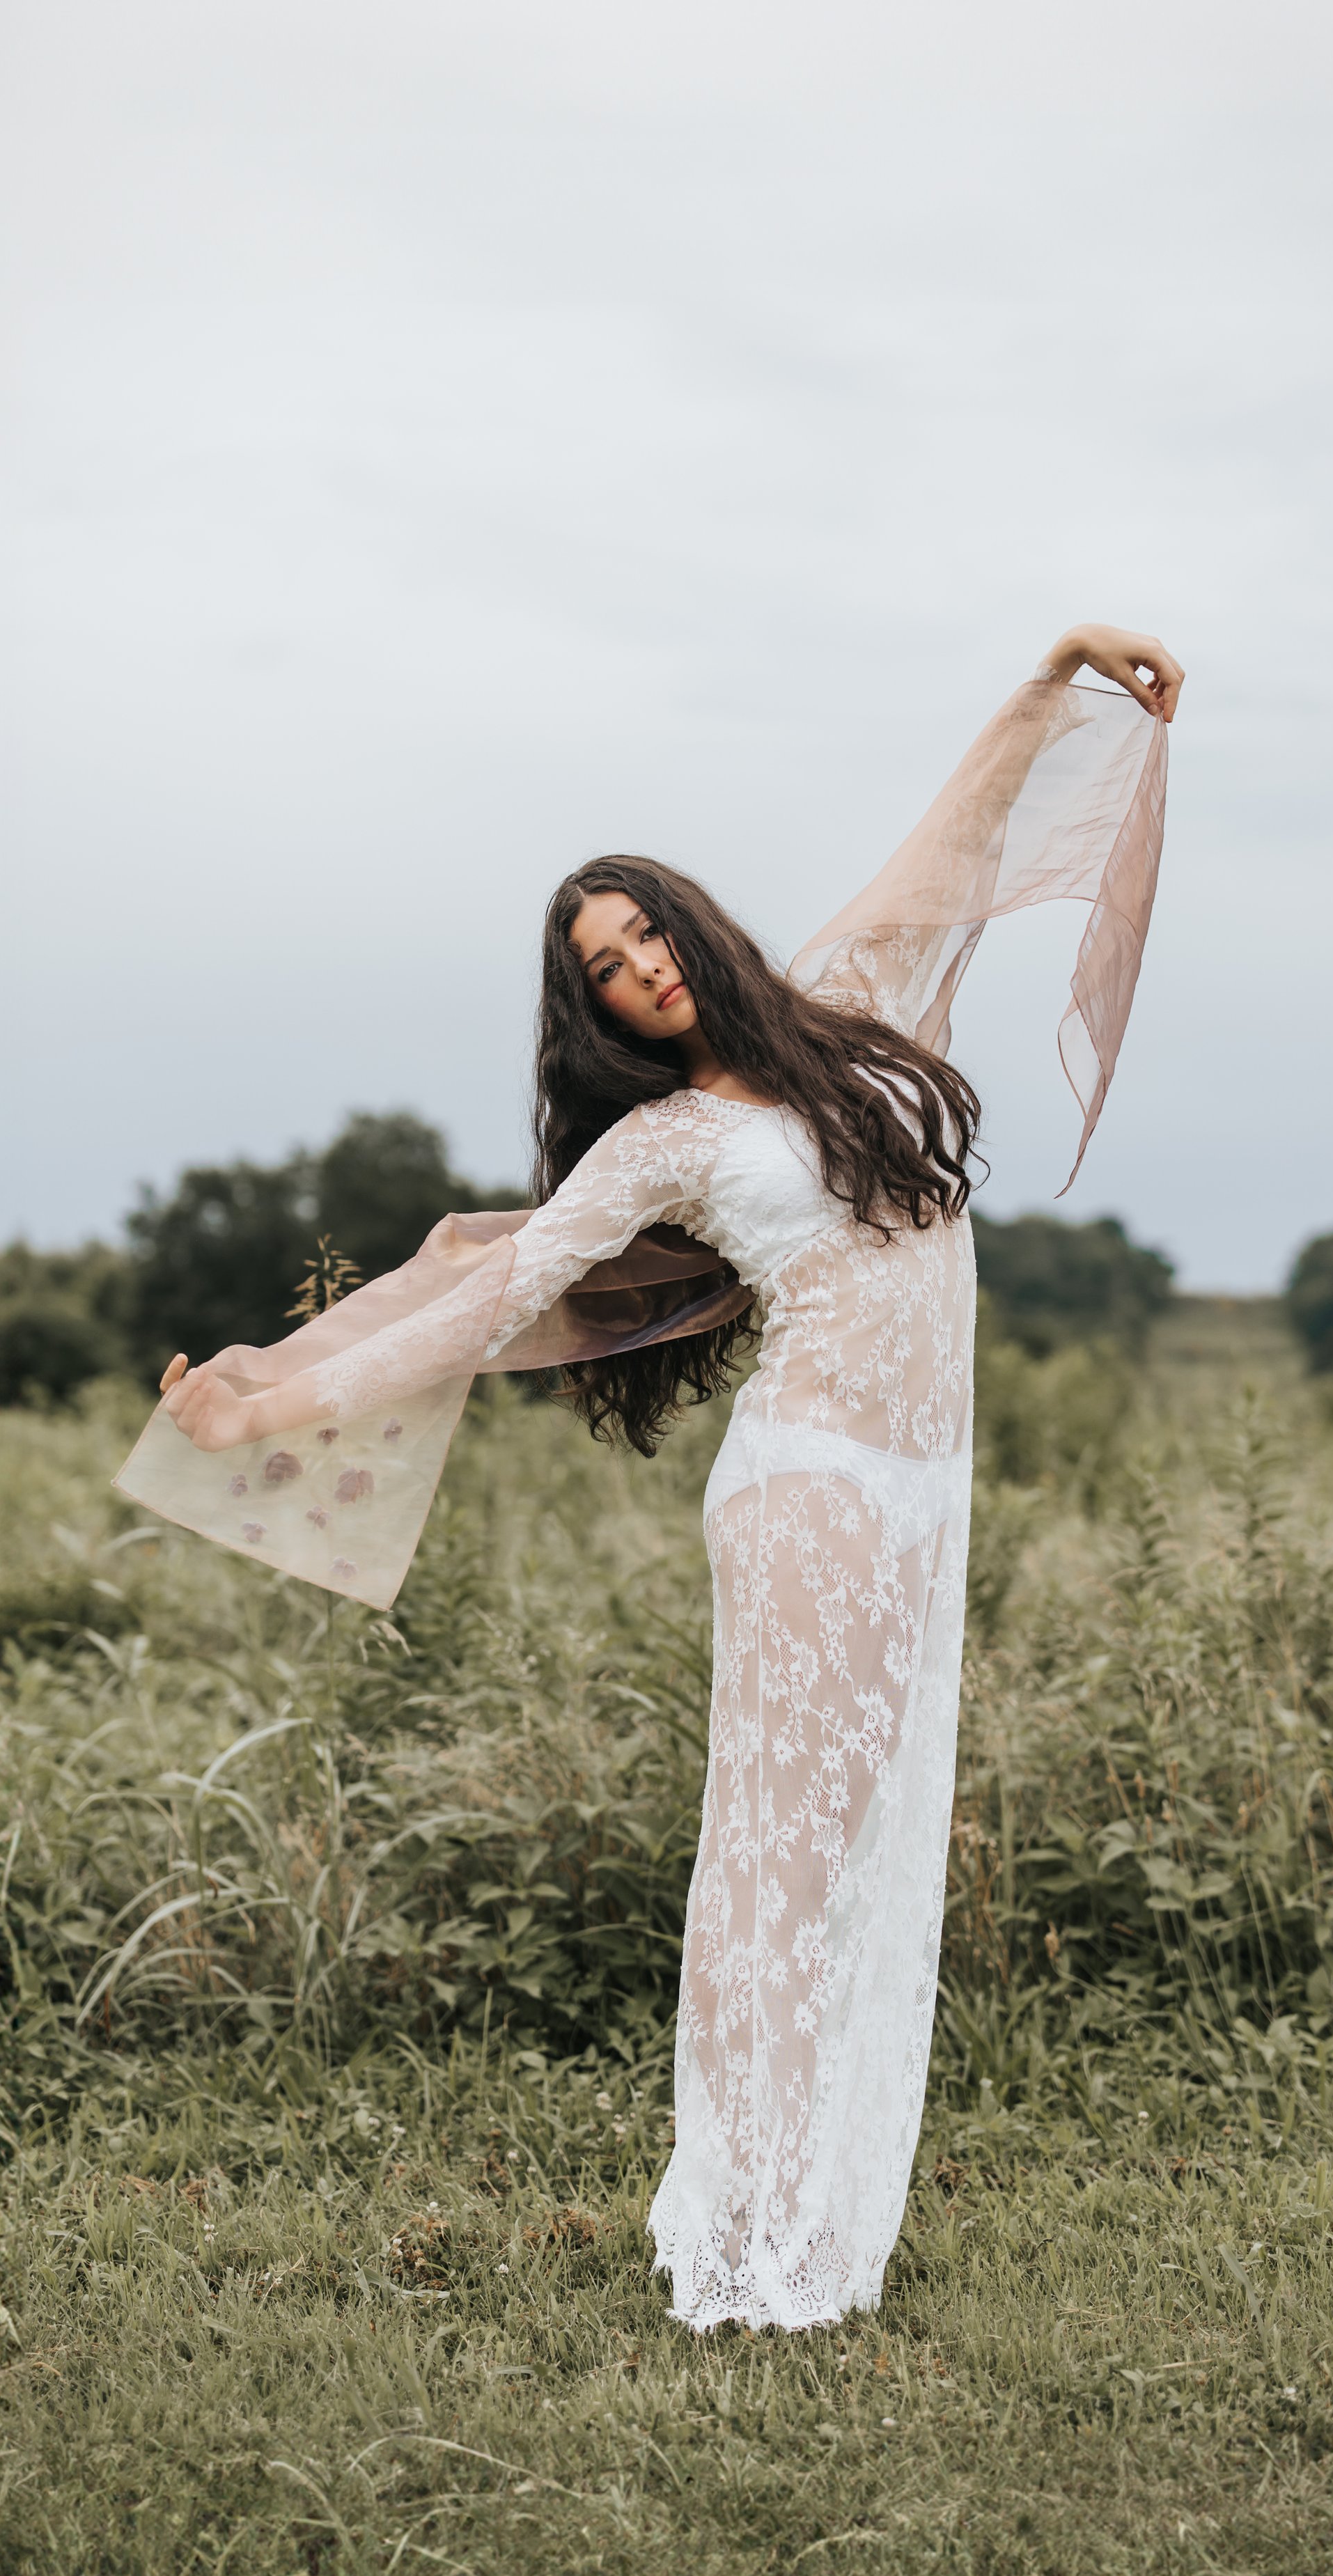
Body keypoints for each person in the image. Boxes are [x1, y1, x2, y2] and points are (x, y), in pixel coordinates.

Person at [139, 620, 1180, 2332]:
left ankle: (807, 2217)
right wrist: (273, 1401)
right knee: (773, 1858)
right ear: (596, 1011)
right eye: (604, 970)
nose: (637, 972)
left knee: (849, 1852)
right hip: (811, 1489)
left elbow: (958, 849)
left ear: (691, 925)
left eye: (644, 935)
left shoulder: (855, 1021)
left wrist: (1052, 672)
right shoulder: (665, 1141)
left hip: (920, 1498)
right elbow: (493, 1290)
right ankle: (749, 2237)